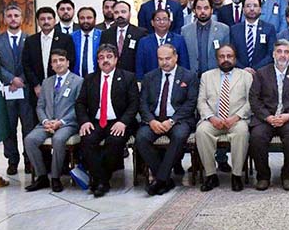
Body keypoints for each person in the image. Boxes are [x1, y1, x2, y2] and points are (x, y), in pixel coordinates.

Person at [76, 44, 140, 198]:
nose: (105, 61)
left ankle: (99, 180)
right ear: (97, 61)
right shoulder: (90, 79)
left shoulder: (128, 77)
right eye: (101, 58)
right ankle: (102, 180)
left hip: (119, 121)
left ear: (116, 59)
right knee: (87, 140)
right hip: (96, 121)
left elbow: (134, 103)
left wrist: (123, 122)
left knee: (115, 141)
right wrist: (84, 121)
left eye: (109, 57)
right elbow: (80, 103)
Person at [135, 45, 199, 196]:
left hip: (180, 120)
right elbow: (142, 103)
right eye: (161, 59)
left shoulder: (188, 76)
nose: (165, 62)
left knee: (179, 136)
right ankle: (164, 179)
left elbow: (190, 104)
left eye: (168, 58)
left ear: (176, 57)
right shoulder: (149, 77)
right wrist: (151, 121)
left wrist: (172, 121)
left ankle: (160, 179)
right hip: (155, 120)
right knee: (141, 138)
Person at [249, 40, 289, 191]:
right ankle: (263, 176)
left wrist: (288, 115)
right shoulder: (261, 73)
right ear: (273, 54)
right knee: (257, 136)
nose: (283, 55)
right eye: (280, 52)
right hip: (266, 118)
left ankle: (288, 175)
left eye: (286, 52)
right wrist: (268, 117)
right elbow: (254, 99)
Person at [196, 45, 254, 192]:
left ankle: (236, 175)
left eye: (229, 56)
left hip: (237, 120)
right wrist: (211, 117)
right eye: (222, 56)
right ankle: (211, 175)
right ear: (217, 59)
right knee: (202, 131)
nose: (225, 59)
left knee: (242, 132)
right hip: (213, 120)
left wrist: (236, 117)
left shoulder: (245, 76)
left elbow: (251, 101)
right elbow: (201, 101)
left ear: (235, 58)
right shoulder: (206, 76)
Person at [24, 49, 83, 192]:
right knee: (29, 140)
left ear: (68, 62)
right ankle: (42, 176)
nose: (58, 63)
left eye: (61, 60)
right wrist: (45, 121)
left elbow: (79, 107)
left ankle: (56, 177)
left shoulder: (78, 81)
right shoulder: (46, 82)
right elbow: (40, 106)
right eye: (55, 61)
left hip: (67, 124)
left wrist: (60, 122)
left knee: (58, 139)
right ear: (51, 65)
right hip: (46, 124)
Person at [0, 5, 36, 175]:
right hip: (6, 91)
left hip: (26, 92)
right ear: (4, 19)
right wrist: (12, 79)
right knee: (9, 128)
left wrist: (21, 79)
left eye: (16, 15)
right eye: (10, 16)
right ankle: (12, 161)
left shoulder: (31, 40)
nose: (13, 18)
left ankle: (29, 160)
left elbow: (32, 64)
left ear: (22, 18)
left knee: (29, 128)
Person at [22, 7, 76, 111]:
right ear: (38, 21)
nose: (46, 21)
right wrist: (36, 85)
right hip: (37, 89)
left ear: (54, 20)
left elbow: (71, 61)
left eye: (49, 18)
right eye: (42, 19)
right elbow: (26, 64)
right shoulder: (31, 40)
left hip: (60, 87)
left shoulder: (66, 39)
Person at [134, 9, 190, 80]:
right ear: (152, 22)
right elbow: (139, 66)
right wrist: (140, 81)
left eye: (165, 19)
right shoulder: (144, 42)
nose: (162, 22)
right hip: (150, 82)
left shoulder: (179, 40)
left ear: (169, 22)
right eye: (158, 20)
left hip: (174, 82)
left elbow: (184, 63)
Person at [182, 0, 230, 76]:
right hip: (192, 77)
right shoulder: (185, 30)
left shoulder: (223, 29)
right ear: (194, 10)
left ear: (211, 10)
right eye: (199, 8)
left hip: (215, 76)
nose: (202, 11)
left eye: (206, 8)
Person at [229, 0, 277, 74]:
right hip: (239, 73)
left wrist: (255, 69)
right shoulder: (234, 29)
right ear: (243, 10)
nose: (251, 9)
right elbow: (231, 53)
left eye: (255, 6)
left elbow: (271, 53)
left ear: (260, 9)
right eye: (248, 6)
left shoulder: (269, 28)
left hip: (262, 74)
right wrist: (243, 69)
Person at [100, 1, 147, 74]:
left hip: (133, 77)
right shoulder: (106, 34)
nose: (120, 15)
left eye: (123, 12)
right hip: (112, 77)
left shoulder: (140, 33)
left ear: (130, 14)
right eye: (116, 12)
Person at [70, 7, 101, 78]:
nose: (85, 21)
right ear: (78, 20)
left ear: (95, 19)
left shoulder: (102, 36)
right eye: (82, 18)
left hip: (97, 79)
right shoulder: (71, 37)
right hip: (76, 79)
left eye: (89, 18)